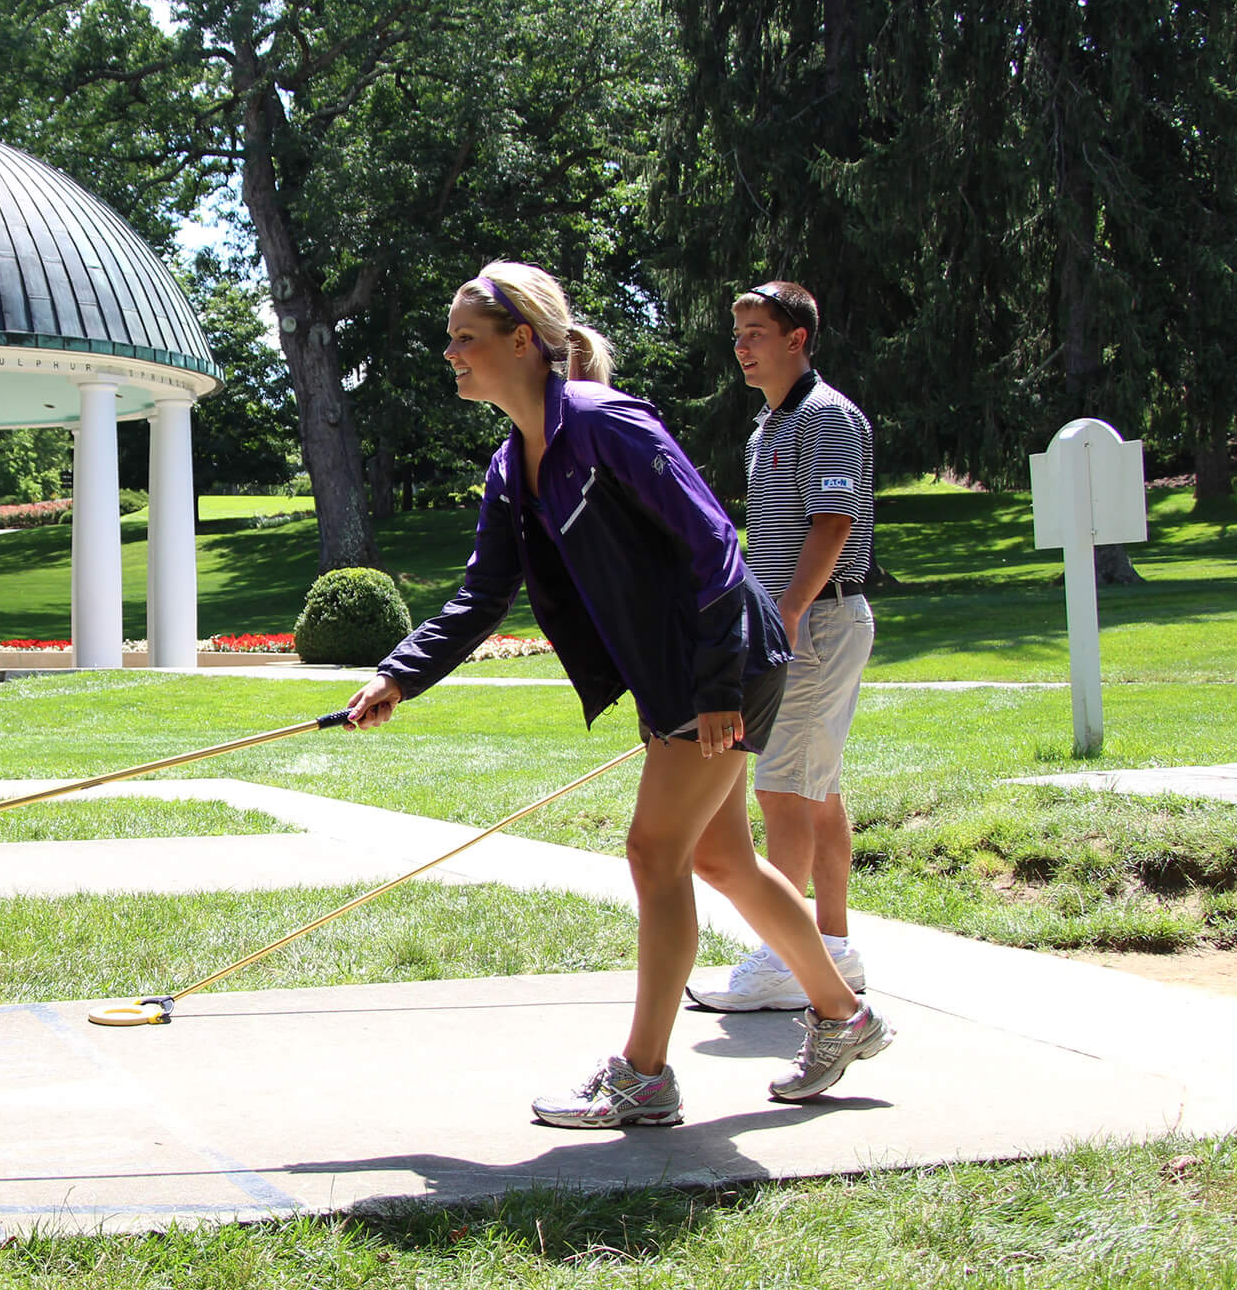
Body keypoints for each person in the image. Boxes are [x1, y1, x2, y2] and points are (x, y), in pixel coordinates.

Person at [344, 261, 893, 1128]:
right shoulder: (508, 465)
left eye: (465, 337)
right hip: (681, 672)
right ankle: (843, 1014)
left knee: (653, 853)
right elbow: (482, 595)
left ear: (521, 340)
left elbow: (713, 542)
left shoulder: (606, 423)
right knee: (718, 859)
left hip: (722, 661)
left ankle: (645, 1076)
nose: (450, 352)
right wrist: (399, 674)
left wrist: (714, 686)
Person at [685, 282, 878, 1014]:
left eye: (757, 332)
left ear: (797, 339)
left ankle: (784, 961)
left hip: (819, 621)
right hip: (793, 621)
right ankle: (830, 946)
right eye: (737, 333)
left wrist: (789, 614)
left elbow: (833, 523)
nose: (742, 345)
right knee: (816, 785)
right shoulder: (765, 430)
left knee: (782, 786)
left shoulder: (827, 417)